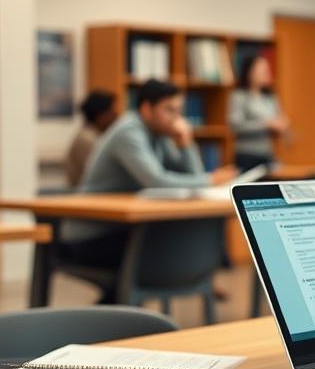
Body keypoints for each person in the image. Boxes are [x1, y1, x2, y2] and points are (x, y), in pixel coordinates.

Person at [63, 80, 238, 300]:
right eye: (169, 110)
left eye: (179, 111)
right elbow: (158, 181)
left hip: (125, 229)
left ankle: (120, 311)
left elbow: (191, 176)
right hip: (91, 235)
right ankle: (119, 314)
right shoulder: (128, 132)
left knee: (165, 243)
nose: (176, 118)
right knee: (160, 247)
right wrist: (209, 180)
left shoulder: (159, 134)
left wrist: (186, 143)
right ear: (147, 109)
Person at [228, 55, 287, 171]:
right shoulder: (239, 96)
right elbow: (235, 126)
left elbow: (278, 121)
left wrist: (282, 125)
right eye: (261, 70)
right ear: (249, 72)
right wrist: (266, 124)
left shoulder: (270, 98)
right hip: (246, 156)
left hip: (267, 154)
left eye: (266, 70)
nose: (266, 73)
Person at [65, 90, 118, 187]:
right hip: (85, 194)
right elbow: (104, 174)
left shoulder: (96, 136)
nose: (116, 116)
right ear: (100, 116)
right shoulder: (87, 139)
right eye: (112, 112)